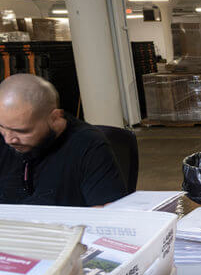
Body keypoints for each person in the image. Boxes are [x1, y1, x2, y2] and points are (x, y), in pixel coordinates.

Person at [0, 73, 127, 206]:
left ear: (55, 117)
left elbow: (108, 213)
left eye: (22, 131)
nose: (8, 139)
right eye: (2, 126)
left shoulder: (88, 144)